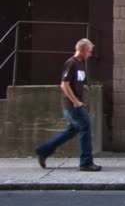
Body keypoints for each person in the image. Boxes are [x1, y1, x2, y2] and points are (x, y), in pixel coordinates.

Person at [35, 38, 102, 172]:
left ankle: (44, 150)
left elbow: (76, 82)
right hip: (73, 106)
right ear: (82, 50)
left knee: (72, 130)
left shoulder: (80, 63)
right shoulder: (71, 63)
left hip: (75, 105)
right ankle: (86, 163)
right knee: (86, 128)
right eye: (89, 51)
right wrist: (75, 101)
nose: (90, 54)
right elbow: (64, 85)